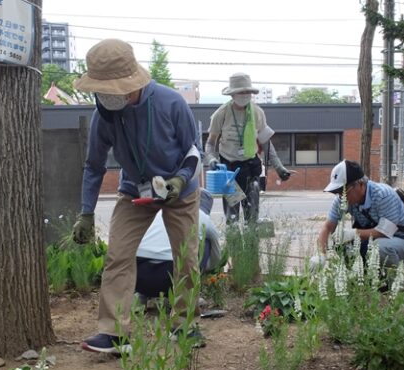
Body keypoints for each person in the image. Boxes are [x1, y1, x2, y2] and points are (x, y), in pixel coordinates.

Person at [71, 39, 202, 354]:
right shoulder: (103, 115)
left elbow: (195, 149)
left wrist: (180, 181)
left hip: (178, 188)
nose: (104, 96)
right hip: (134, 190)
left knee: (185, 256)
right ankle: (114, 333)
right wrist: (86, 212)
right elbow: (93, 166)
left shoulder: (171, 103)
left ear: (130, 85)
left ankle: (185, 324)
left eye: (110, 89)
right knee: (118, 254)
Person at [204, 72, 294, 223]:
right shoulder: (221, 114)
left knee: (252, 218)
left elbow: (266, 142)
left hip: (251, 168)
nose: (245, 95)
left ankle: (252, 245)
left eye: (248, 91)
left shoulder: (257, 113)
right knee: (232, 219)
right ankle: (234, 245)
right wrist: (211, 158)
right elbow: (210, 143)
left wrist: (279, 168)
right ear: (232, 94)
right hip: (229, 172)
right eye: (241, 91)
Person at [316, 160, 404, 270]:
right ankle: (358, 277)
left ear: (360, 184)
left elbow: (386, 231)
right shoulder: (342, 199)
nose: (341, 196)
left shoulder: (383, 195)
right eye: (337, 192)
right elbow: (328, 227)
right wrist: (320, 254)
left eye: (343, 190)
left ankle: (392, 282)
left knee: (379, 247)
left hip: (403, 240)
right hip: (372, 238)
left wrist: (354, 233)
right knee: (340, 243)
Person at [135, 189, 223, 300]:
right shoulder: (202, 216)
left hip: (138, 276)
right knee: (205, 242)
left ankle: (143, 296)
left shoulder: (160, 211)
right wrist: (204, 271)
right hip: (173, 277)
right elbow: (216, 257)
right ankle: (188, 295)